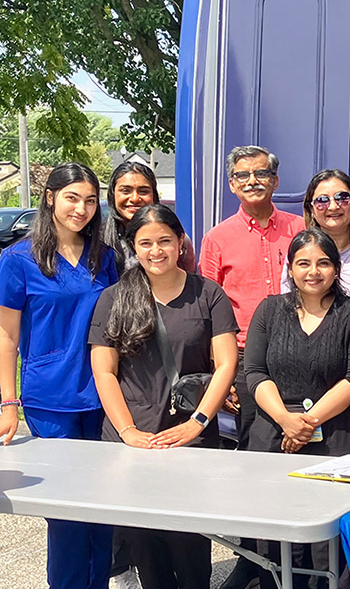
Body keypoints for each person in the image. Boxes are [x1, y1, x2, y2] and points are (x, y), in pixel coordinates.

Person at [89, 204, 237, 589]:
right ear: (133, 247)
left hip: (191, 437)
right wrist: (127, 432)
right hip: (133, 440)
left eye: (165, 241)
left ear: (180, 242)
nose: (156, 251)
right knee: (145, 548)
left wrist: (198, 422)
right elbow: (104, 370)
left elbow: (225, 364)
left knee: (189, 549)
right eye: (146, 243)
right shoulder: (114, 298)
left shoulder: (208, 294)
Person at [0, 163, 118, 589]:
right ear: (50, 197)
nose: (82, 209)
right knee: (67, 513)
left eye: (90, 200)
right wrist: (8, 402)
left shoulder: (105, 258)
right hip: (51, 398)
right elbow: (7, 337)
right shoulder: (17, 260)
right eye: (72, 198)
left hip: (104, 395)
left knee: (103, 509)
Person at [198, 144, 304, 589]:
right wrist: (225, 377)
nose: (253, 181)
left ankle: (301, 554)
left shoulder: (300, 228)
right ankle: (254, 556)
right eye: (243, 175)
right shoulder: (217, 238)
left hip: (301, 356)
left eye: (262, 173)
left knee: (304, 450)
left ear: (276, 181)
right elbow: (208, 310)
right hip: (244, 362)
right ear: (231, 184)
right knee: (256, 459)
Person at [244, 228, 350, 589]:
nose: (313, 272)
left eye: (323, 263)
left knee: (326, 538)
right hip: (273, 435)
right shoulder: (269, 310)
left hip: (333, 437)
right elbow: (254, 371)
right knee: (276, 533)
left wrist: (309, 422)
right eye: (304, 263)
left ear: (336, 269)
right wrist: (286, 420)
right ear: (290, 268)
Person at [282, 169, 350, 301]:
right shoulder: (298, 256)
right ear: (311, 210)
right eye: (322, 200)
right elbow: (289, 306)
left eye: (342, 198)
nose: (333, 207)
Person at [104, 160, 197, 273]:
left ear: (154, 195)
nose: (134, 198)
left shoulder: (177, 240)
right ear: (112, 194)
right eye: (125, 191)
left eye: (143, 191)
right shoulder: (98, 239)